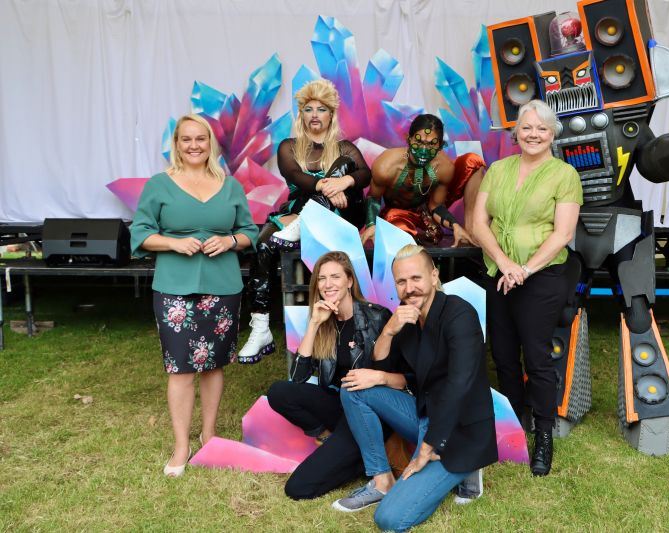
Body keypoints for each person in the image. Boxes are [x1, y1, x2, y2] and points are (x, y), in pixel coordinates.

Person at [333, 245, 497, 532]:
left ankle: (466, 469)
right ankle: (382, 479)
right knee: (354, 387)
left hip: (456, 430)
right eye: (401, 281)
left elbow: (459, 386)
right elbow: (382, 368)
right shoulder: (407, 319)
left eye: (416, 278)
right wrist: (389, 330)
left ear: (434, 276)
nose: (409, 288)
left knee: (389, 519)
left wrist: (425, 450)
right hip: (423, 414)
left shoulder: (459, 315)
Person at [130, 114, 259, 477]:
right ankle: (181, 445)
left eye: (200, 139)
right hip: (174, 286)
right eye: (186, 139)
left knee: (214, 364)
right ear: (176, 144)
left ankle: (210, 433)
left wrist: (232, 240)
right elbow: (140, 233)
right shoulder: (159, 184)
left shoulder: (230, 185)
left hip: (223, 285)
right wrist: (172, 242)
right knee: (181, 367)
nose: (194, 146)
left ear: (210, 143)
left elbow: (249, 230)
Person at [471, 99, 582, 477]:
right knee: (501, 352)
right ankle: (513, 423)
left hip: (544, 275)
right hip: (498, 271)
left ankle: (544, 434)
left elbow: (563, 233)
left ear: (552, 134)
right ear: (515, 132)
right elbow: (478, 221)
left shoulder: (564, 174)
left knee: (536, 357)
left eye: (542, 129)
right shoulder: (498, 170)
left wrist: (525, 269)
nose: (533, 134)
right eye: (527, 127)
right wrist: (504, 263)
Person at [238, 79, 372, 363]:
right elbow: (295, 176)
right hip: (301, 205)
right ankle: (260, 327)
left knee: (344, 164)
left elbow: (365, 176)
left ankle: (305, 220)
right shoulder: (289, 147)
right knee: (263, 245)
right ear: (302, 114)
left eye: (321, 109)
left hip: (345, 212)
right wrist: (327, 188)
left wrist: (343, 182)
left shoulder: (344, 147)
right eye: (308, 109)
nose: (314, 115)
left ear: (330, 115)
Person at [266, 251, 404, 499]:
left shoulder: (377, 317)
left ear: (350, 281)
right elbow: (298, 378)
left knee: (298, 488)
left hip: (369, 413)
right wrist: (314, 324)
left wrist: (375, 378)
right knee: (279, 392)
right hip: (339, 404)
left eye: (335, 277)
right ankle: (332, 439)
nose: (328, 284)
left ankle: (360, 459)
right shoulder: (324, 320)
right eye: (321, 279)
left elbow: (400, 379)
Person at [360, 114, 484, 247]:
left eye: (431, 144)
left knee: (473, 161)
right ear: (409, 139)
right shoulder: (386, 166)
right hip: (396, 214)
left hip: (426, 212)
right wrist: (371, 225)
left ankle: (471, 234)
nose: (424, 151)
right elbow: (373, 197)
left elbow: (436, 205)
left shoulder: (443, 167)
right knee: (400, 228)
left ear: (440, 146)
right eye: (419, 142)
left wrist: (455, 226)